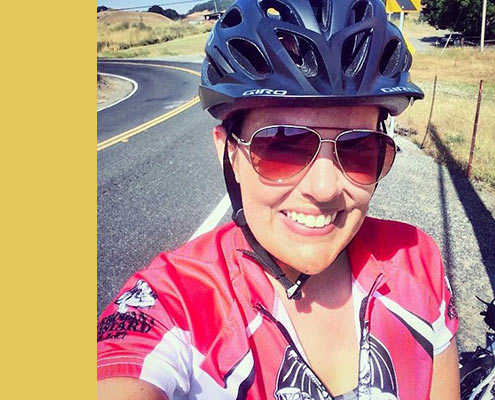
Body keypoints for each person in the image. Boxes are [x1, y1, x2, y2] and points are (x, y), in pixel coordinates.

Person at [97, 0, 460, 399]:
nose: (325, 189)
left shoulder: (416, 260)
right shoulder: (176, 302)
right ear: (228, 153)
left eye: (359, 148)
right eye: (282, 146)